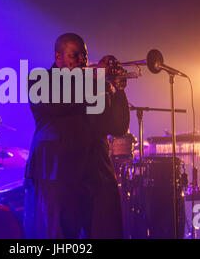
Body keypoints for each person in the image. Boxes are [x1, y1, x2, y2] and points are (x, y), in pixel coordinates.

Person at [24, 33, 130, 238]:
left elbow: (118, 127)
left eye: (85, 55)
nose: (82, 60)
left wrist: (118, 90)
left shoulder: (97, 84)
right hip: (57, 176)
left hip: (97, 175)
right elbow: (64, 101)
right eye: (75, 55)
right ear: (58, 57)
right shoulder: (39, 80)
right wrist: (97, 78)